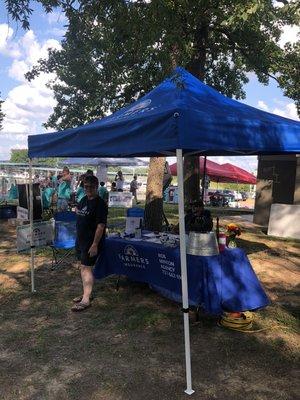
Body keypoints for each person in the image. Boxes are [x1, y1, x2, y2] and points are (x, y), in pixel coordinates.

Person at [72, 175, 108, 312]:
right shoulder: (83, 200)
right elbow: (79, 213)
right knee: (83, 267)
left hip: (91, 242)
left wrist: (95, 244)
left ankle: (86, 300)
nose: (88, 189)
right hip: (80, 240)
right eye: (85, 186)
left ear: (96, 186)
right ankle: (86, 293)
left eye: (91, 187)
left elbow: (100, 226)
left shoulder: (100, 204)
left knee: (86, 268)